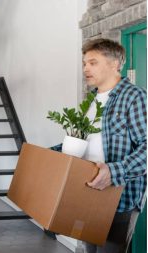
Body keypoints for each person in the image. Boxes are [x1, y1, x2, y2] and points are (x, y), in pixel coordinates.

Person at [54, 38, 146, 253]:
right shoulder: (91, 100)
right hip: (89, 193)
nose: (86, 68)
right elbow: (84, 142)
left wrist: (113, 172)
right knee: (90, 250)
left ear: (114, 64)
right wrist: (48, 155)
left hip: (120, 198)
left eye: (93, 63)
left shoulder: (135, 97)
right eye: (85, 63)